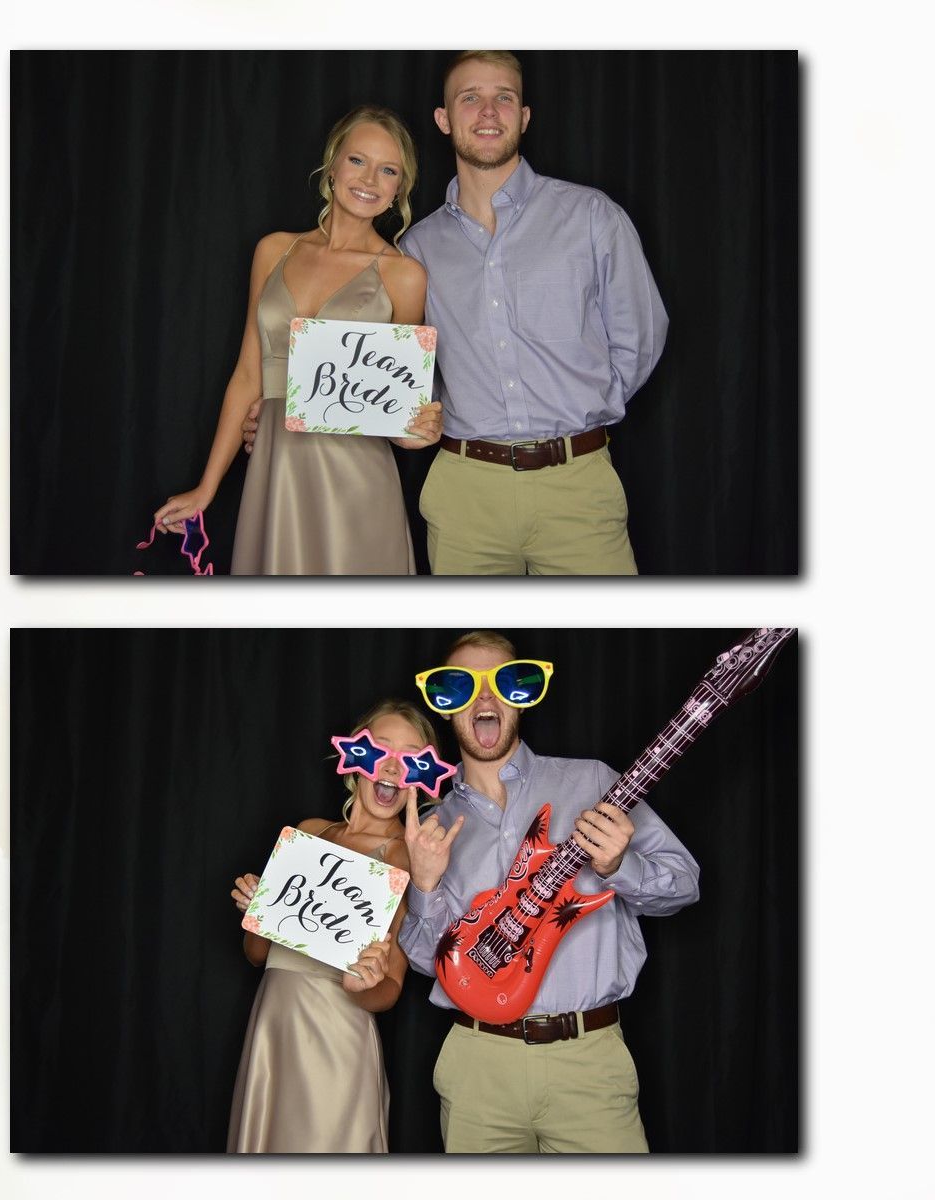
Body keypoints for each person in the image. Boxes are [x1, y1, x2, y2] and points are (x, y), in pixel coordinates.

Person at [242, 53, 667, 574]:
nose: (488, 110)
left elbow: (641, 337)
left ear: (524, 116)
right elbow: (373, 366)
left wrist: (584, 413)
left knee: (601, 644)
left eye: (503, 97)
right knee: (473, 651)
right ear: (444, 119)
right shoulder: (414, 251)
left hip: (578, 486)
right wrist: (284, 403)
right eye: (470, 98)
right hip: (463, 494)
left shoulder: (591, 215)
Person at [397, 631, 700, 1152]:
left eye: (504, 682)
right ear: (446, 709)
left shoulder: (595, 783)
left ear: (524, 697)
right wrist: (423, 885)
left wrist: (620, 866)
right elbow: (430, 962)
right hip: (477, 1069)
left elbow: (685, 883)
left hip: (588, 1063)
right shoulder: (430, 826)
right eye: (463, 686)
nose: (485, 698)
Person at [154, 106, 443, 575]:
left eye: (388, 170)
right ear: (332, 166)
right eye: (357, 161)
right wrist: (206, 488)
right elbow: (248, 375)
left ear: (398, 190)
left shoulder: (405, 276)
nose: (370, 178)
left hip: (356, 477)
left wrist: (415, 430)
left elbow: (402, 402)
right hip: (275, 468)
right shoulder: (273, 250)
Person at [224, 700, 433, 1152]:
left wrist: (368, 984)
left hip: (336, 1040)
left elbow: (389, 988)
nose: (392, 768)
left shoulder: (403, 859)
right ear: (354, 757)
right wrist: (259, 909)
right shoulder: (309, 832)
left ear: (424, 776)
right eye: (380, 749)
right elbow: (258, 955)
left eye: (410, 757)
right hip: (272, 1030)